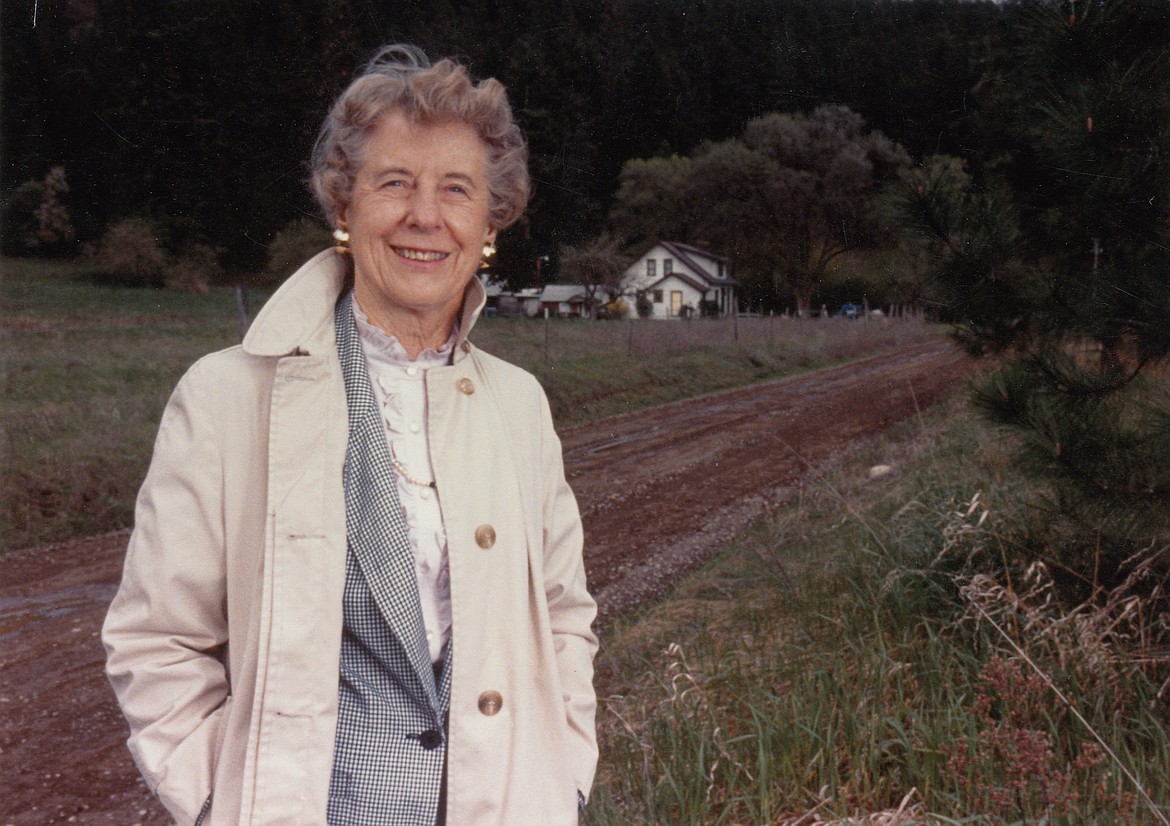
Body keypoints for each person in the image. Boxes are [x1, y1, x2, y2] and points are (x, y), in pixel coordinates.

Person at [102, 44, 598, 826]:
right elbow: (157, 640)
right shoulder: (227, 396)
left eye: (456, 190)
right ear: (344, 206)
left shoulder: (521, 406)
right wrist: (214, 804)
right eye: (394, 182)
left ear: (488, 222)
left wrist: (566, 776)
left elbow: (565, 615)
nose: (424, 216)